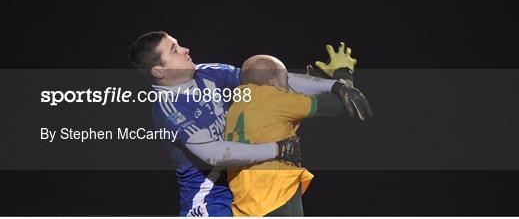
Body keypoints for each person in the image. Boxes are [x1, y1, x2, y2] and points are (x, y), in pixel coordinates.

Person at [128, 31, 352, 216]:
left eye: (179, 44)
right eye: (174, 50)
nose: (185, 50)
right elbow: (214, 154)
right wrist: (277, 149)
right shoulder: (169, 108)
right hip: (209, 201)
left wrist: (334, 86)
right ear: (159, 71)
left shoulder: (210, 73)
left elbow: (265, 80)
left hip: (243, 189)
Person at [225, 52, 372, 217]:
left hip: (244, 207)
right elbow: (342, 105)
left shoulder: (235, 107)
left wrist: (320, 81)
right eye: (285, 81)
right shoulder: (273, 98)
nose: (289, 87)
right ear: (272, 82)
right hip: (275, 199)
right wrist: (343, 74)